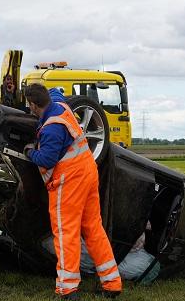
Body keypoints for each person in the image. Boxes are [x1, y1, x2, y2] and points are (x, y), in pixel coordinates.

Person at [24, 84, 122, 300]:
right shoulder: (60, 104)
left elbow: (47, 160)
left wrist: (30, 152)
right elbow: (56, 91)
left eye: (29, 106)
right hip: (88, 171)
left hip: (70, 180)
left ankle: (67, 289)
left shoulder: (51, 130)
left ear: (33, 104)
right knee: (94, 229)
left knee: (66, 232)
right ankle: (112, 283)